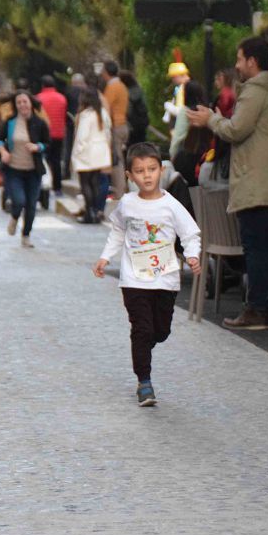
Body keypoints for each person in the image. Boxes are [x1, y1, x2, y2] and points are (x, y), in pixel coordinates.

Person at [186, 36, 268, 330]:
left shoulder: (254, 92)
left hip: (256, 182)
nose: (236, 65)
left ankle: (256, 309)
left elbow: (236, 130)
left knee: (256, 247)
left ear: (252, 61)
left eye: (239, 59)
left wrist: (211, 120)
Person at [93, 142, 202, 407]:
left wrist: (192, 254)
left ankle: (143, 349)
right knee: (141, 329)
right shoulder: (127, 204)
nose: (147, 175)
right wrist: (106, 256)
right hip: (133, 279)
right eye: (140, 171)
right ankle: (144, 382)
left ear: (161, 170)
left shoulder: (171, 205)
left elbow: (190, 232)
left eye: (152, 169)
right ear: (130, 175)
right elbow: (118, 230)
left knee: (160, 331)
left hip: (165, 279)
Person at [0, 90, 51, 248]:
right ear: (15, 105)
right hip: (14, 169)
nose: (22, 105)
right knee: (19, 200)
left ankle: (26, 235)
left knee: (31, 205)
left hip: (33, 170)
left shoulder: (39, 123)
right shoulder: (10, 122)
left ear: (31, 103)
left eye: (24, 101)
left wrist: (38, 147)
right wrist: (3, 152)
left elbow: (48, 143)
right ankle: (14, 217)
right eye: (19, 102)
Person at [71, 87, 112, 224]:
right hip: (100, 151)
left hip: (87, 152)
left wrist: (77, 153)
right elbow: (108, 132)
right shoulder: (102, 113)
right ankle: (95, 210)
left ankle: (89, 213)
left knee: (85, 183)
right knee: (95, 182)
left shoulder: (86, 115)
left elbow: (82, 136)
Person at [102, 60, 130, 198]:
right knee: (119, 159)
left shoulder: (112, 87)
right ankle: (121, 189)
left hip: (116, 126)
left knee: (116, 160)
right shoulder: (122, 86)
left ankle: (119, 192)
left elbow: (105, 106)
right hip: (123, 124)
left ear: (106, 72)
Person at [36, 75, 68, 197]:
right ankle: (57, 187)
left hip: (43, 135)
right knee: (56, 161)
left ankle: (43, 187)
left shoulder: (38, 98)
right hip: (59, 133)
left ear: (43, 85)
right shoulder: (62, 98)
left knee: (42, 161)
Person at [169, 80, 207, 160]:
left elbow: (178, 136)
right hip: (204, 156)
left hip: (187, 157)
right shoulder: (206, 111)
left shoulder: (185, 112)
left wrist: (172, 155)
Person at [121, 71, 150, 147]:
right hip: (142, 122)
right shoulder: (139, 90)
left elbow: (128, 111)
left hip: (132, 125)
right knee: (141, 145)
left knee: (131, 147)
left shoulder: (127, 94)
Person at [63, 73, 85, 173]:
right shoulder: (86, 92)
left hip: (69, 121)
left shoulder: (68, 92)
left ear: (73, 82)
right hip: (83, 122)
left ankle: (67, 170)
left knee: (69, 146)